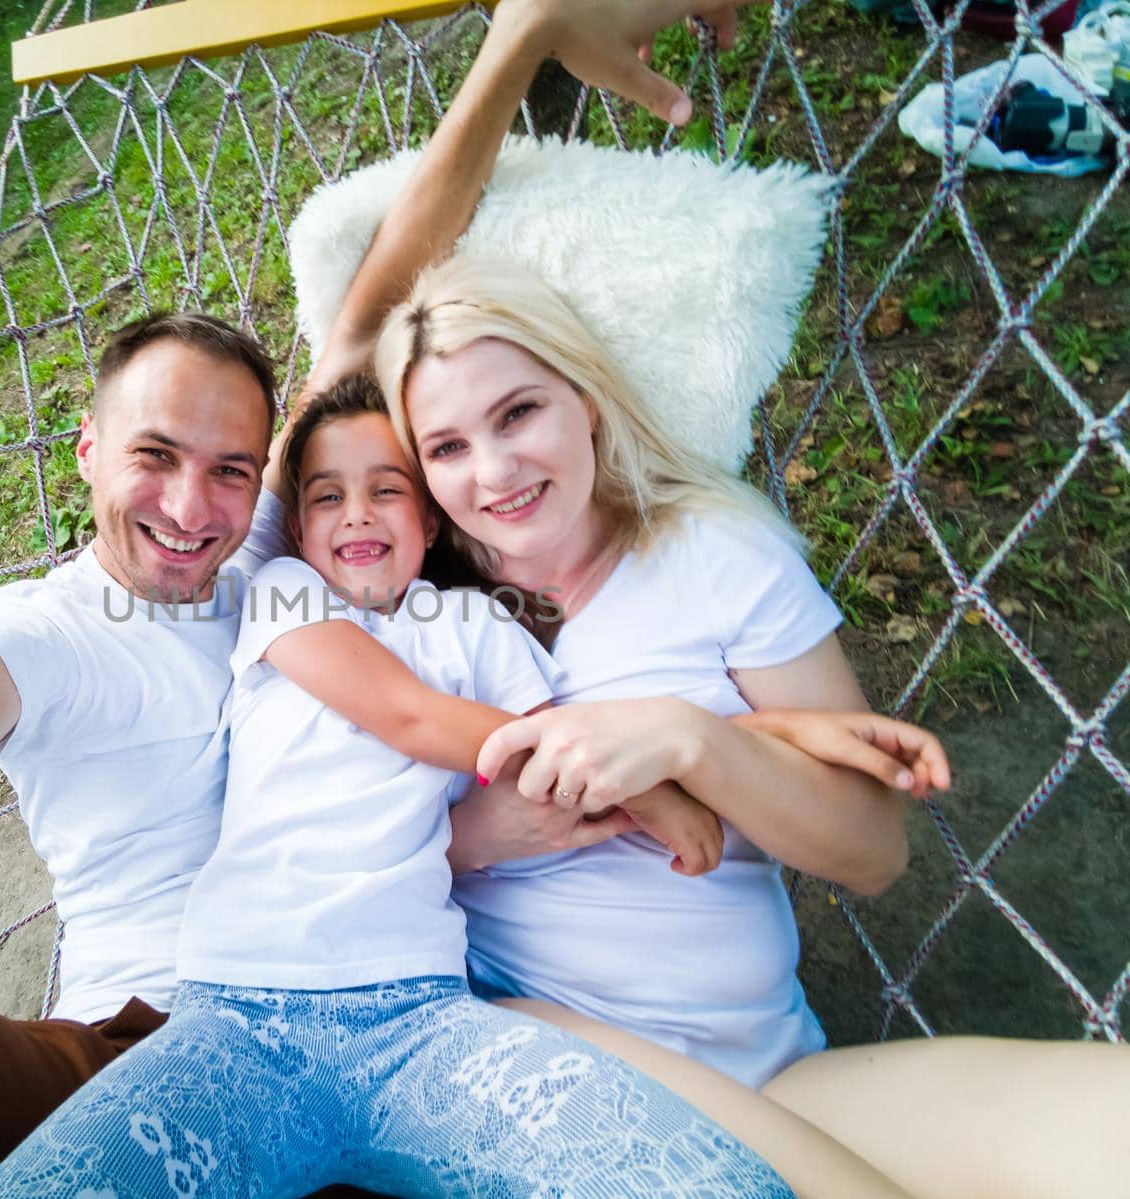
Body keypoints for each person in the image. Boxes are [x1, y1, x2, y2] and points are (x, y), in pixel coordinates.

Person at [0, 4, 914, 1197]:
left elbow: (376, 318)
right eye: (153, 458)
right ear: (83, 448)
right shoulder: (87, 625)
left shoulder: (320, 550)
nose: (194, 508)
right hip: (174, 1034)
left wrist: (519, 42)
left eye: (232, 471)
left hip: (438, 1014)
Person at [363, 249, 1130, 1199]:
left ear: (587, 398)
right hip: (538, 1053)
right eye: (446, 447)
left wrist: (695, 738)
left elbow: (871, 852)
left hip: (770, 1072)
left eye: (519, 412)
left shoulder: (717, 552)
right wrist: (482, 836)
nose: (495, 470)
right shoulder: (405, 613)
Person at [0, 375, 811, 1197]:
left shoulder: (477, 623)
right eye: (328, 497)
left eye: (387, 489)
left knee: (701, 1179)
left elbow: (574, 745)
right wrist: (651, 793)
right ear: (294, 526)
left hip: (427, 1019)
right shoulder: (285, 592)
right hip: (237, 1021)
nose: (358, 512)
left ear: (431, 514)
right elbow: (407, 715)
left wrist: (778, 735)